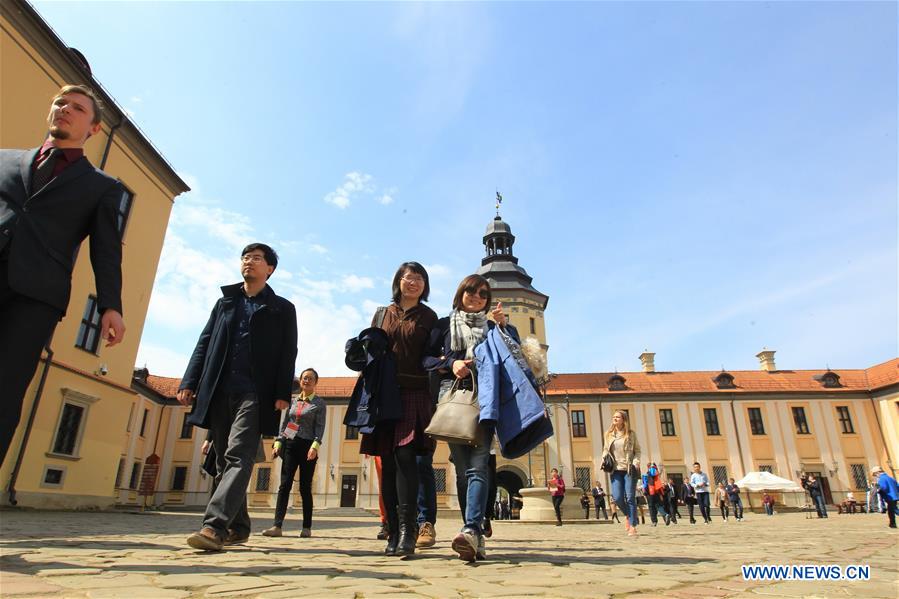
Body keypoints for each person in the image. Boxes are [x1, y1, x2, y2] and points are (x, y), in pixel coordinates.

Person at [0, 84, 127, 466]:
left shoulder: (102, 186)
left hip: (35, 296)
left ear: (94, 128)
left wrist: (111, 306)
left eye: (77, 107)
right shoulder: (5, 160)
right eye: (60, 102)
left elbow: (106, 250)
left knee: (4, 392)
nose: (65, 109)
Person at [177, 243, 297, 551]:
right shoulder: (225, 303)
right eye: (246, 257)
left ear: (269, 269)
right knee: (221, 462)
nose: (250, 262)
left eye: (257, 258)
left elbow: (288, 352)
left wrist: (283, 391)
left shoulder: (282, 308)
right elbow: (203, 342)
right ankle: (240, 526)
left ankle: (214, 526)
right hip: (218, 389)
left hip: (255, 392)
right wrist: (190, 381)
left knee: (239, 456)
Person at [423, 274, 513, 561]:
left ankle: (471, 529)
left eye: (483, 294)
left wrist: (502, 326)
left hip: (485, 397)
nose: (476, 297)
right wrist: (451, 362)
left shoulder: (492, 327)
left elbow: (515, 354)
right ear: (461, 293)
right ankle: (474, 536)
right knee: (463, 472)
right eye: (471, 292)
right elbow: (424, 359)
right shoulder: (443, 325)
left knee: (478, 466)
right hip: (452, 397)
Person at [360, 262, 437, 557]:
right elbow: (371, 352)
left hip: (414, 392)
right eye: (408, 277)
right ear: (398, 281)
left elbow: (431, 355)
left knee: (406, 457)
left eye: (419, 278)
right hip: (384, 393)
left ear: (424, 285)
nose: (413, 282)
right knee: (388, 462)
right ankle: (392, 529)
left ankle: (409, 530)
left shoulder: (429, 317)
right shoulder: (382, 313)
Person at [263, 368, 326, 538]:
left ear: (315, 382)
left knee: (305, 487)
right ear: (301, 381)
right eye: (304, 378)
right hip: (290, 445)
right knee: (284, 485)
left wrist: (315, 446)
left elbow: (320, 427)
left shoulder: (319, 403)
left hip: (308, 448)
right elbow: (285, 425)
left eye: (310, 378)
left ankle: (306, 527)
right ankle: (277, 526)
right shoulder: (293, 401)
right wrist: (278, 442)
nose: (307, 381)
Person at [601, 409, 641, 537]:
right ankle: (630, 515)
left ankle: (633, 526)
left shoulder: (630, 434)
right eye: (614, 417)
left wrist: (636, 461)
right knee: (617, 498)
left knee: (630, 497)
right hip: (615, 470)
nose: (615, 419)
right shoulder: (608, 434)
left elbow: (637, 450)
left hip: (629, 469)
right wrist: (604, 458)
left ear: (623, 419)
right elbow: (605, 449)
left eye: (617, 417)